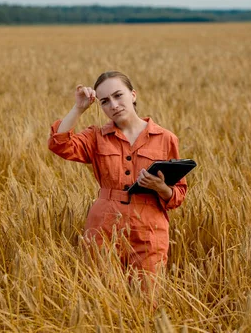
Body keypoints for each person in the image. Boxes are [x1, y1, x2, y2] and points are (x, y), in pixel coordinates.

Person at [48, 71, 187, 278]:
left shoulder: (166, 138)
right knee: (102, 296)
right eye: (105, 101)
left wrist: (161, 188)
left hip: (149, 227)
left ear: (133, 95)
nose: (113, 105)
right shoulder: (96, 137)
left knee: (148, 298)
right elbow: (60, 144)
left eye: (118, 95)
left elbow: (178, 195)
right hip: (103, 224)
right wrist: (79, 108)